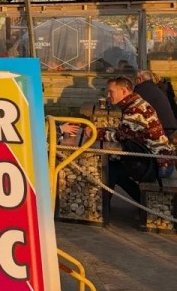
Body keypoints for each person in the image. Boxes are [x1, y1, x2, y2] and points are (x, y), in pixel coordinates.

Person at [64, 77, 176, 217]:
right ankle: (115, 207)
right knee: (114, 165)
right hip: (158, 160)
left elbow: (121, 136)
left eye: (111, 92)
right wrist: (101, 131)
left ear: (124, 91)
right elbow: (124, 131)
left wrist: (96, 133)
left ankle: (110, 209)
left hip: (158, 165)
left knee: (112, 168)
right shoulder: (135, 103)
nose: (108, 96)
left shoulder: (134, 109)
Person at [135, 70, 177, 137]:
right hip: (170, 126)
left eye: (136, 79)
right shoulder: (156, 88)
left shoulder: (141, 89)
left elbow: (134, 109)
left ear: (139, 79)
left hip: (161, 128)